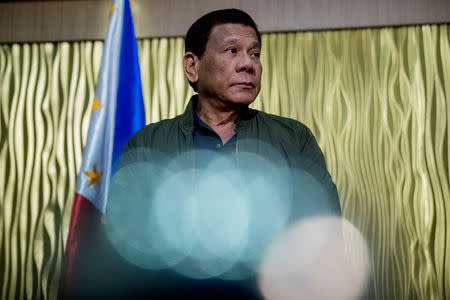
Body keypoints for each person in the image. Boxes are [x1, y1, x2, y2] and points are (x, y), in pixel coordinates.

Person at [101, 8, 341, 299]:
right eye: (231, 50)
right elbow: (124, 244)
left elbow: (323, 233)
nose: (247, 64)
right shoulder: (147, 144)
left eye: (255, 54)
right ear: (192, 66)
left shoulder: (293, 138)